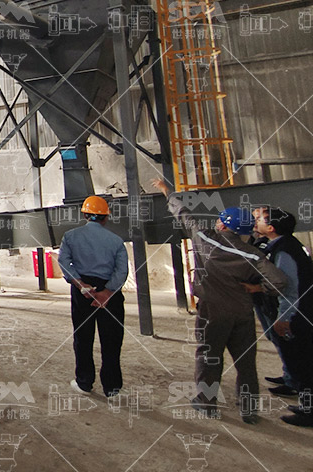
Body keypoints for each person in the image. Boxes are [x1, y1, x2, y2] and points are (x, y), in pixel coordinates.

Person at [153, 180, 287, 424]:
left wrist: (166, 192)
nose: (216, 221)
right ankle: (248, 410)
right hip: (242, 313)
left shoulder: (204, 238)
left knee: (209, 358)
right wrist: (258, 287)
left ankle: (206, 403)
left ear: (225, 225)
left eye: (220, 219)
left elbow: (184, 215)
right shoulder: (252, 254)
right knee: (246, 363)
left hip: (211, 312)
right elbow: (279, 282)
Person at [245, 207, 313, 427]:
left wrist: (284, 318)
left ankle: (309, 412)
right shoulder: (285, 244)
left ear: (271, 228)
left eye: (259, 220)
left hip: (298, 315)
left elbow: (290, 290)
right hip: (300, 312)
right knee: (301, 363)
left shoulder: (283, 251)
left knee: (304, 365)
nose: (256, 222)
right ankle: (305, 403)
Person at [58, 195, 128, 397]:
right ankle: (112, 387)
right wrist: (107, 292)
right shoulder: (116, 241)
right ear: (105, 218)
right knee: (112, 341)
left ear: (85, 215)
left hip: (83, 294)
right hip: (110, 294)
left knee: (83, 338)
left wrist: (80, 284)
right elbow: (122, 270)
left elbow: (64, 262)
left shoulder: (70, 236)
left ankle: (84, 382)